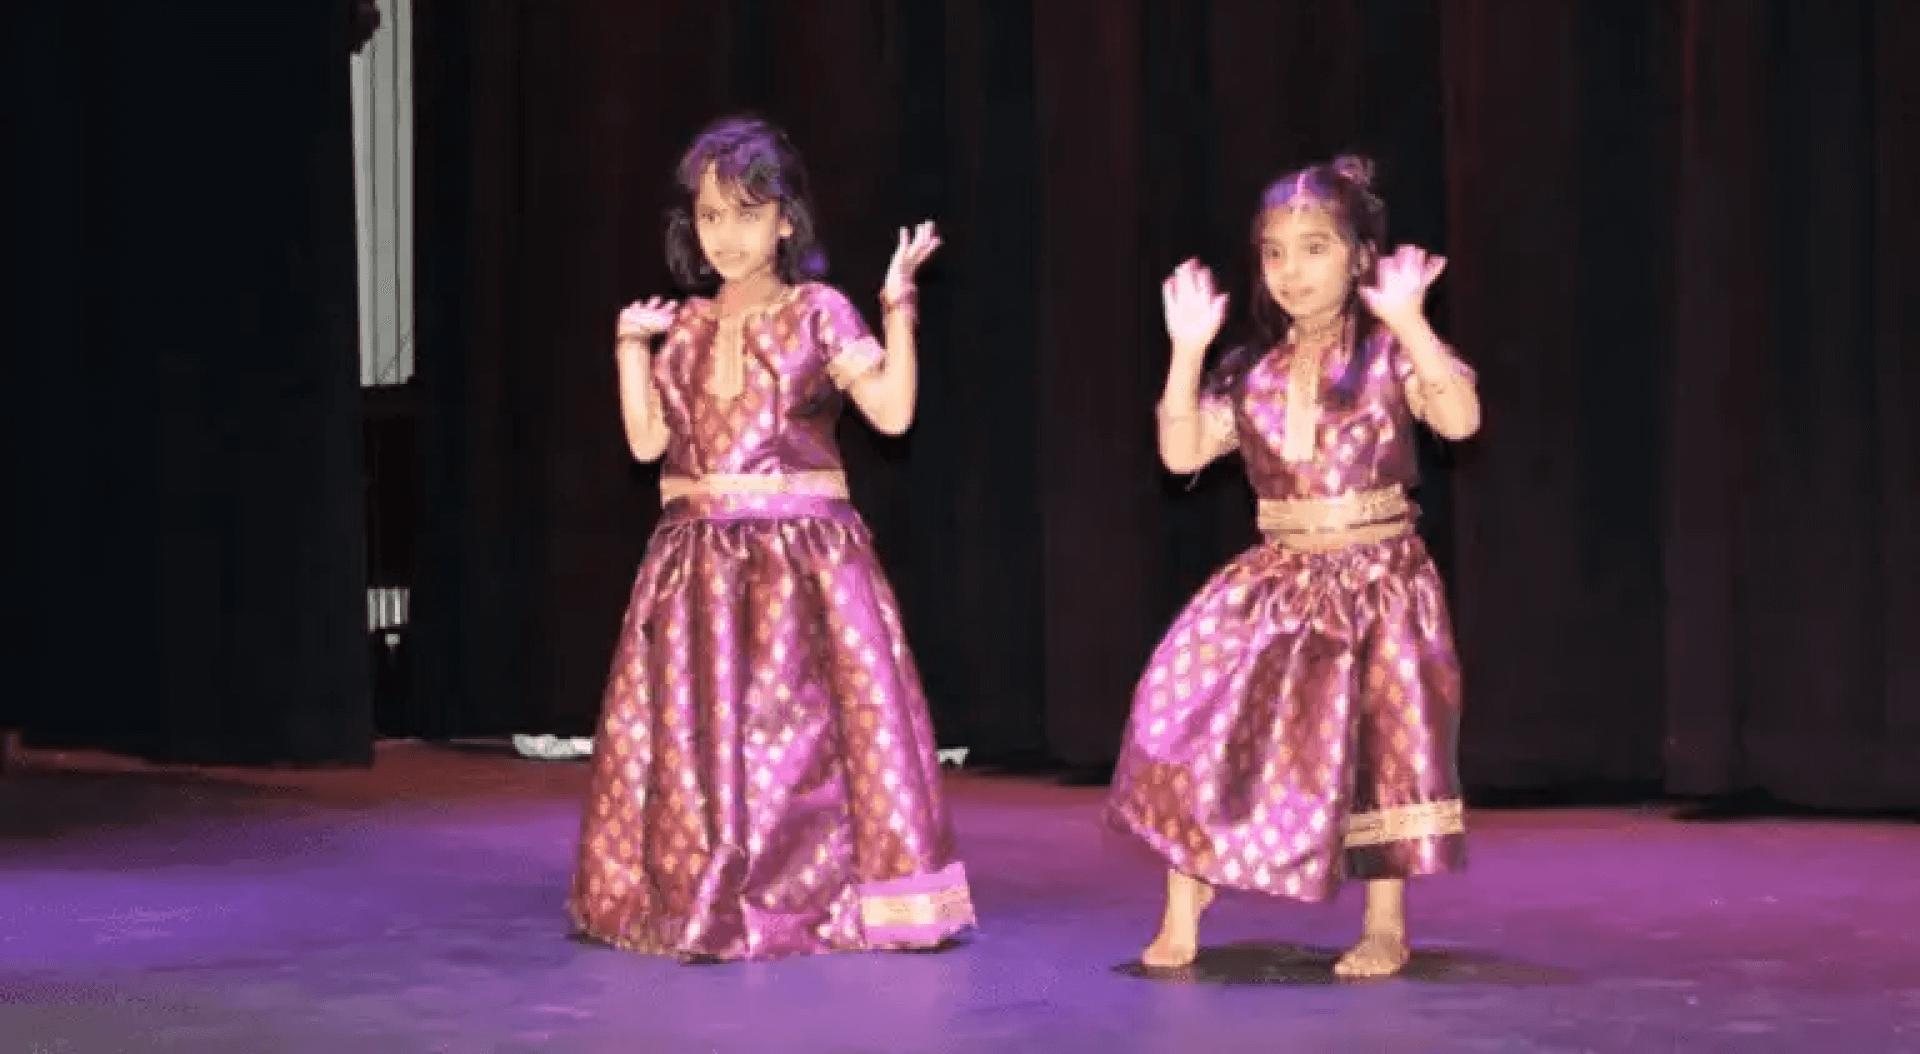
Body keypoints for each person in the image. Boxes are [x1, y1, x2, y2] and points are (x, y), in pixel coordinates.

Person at [567, 115, 975, 962]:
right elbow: (648, 446)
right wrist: (627, 350)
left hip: (801, 565)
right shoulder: (681, 327)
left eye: (747, 214)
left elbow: (893, 413)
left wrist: (899, 305)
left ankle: (811, 898)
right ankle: (702, 887)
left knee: (806, 742)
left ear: (786, 219)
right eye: (711, 216)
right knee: (699, 735)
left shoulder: (817, 311)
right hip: (695, 566)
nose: (726, 235)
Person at [1105, 155, 1481, 978]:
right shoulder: (1251, 372)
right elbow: (1179, 453)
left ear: (1356, 257)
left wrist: (1414, 322)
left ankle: (1386, 921)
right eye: (1275, 253)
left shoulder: (1387, 356)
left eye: (1315, 248)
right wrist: (1187, 351)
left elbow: (1458, 417)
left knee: (1385, 747)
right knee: (1190, 715)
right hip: (1281, 577)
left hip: (1380, 579)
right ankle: (1187, 893)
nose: (1292, 271)